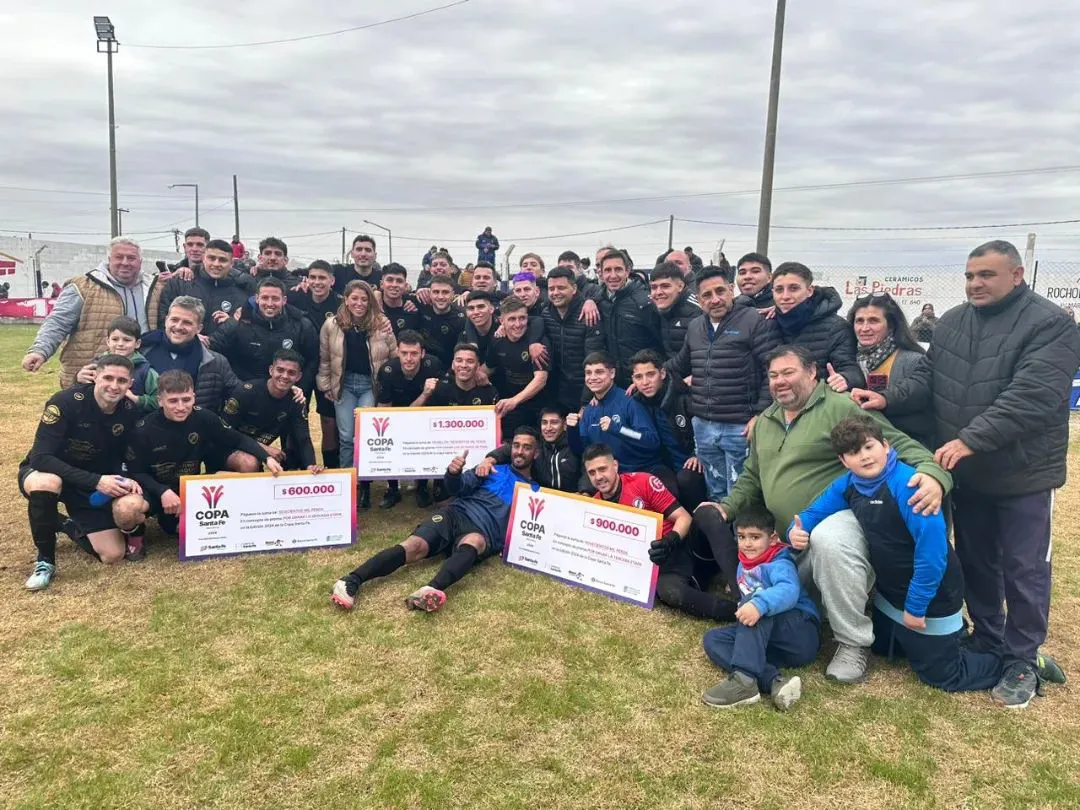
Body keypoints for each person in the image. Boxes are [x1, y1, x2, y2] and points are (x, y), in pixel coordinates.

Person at [852, 240, 1080, 707]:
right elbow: (931, 380)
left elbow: (1034, 394)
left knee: (1024, 569)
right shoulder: (953, 321)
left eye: (987, 275)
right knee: (976, 562)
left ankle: (1022, 658)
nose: (975, 283)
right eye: (970, 275)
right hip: (967, 472)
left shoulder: (1052, 324)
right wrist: (888, 399)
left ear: (1016, 275)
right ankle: (988, 640)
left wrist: (971, 438)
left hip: (1023, 475)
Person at [713, 345, 952, 683]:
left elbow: (897, 443)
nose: (779, 381)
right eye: (773, 375)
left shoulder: (839, 406)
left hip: (837, 517)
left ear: (812, 373)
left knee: (830, 539)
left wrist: (935, 475)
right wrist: (726, 506)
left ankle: (853, 642)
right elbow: (752, 474)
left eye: (788, 372)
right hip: (788, 537)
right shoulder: (765, 420)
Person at [790, 415, 1065, 704]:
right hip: (890, 597)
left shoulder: (910, 486)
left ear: (885, 445)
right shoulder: (849, 483)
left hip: (932, 594)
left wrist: (916, 606)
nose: (864, 457)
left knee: (942, 675)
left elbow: (933, 556)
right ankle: (953, 641)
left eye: (869, 447)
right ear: (844, 461)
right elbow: (811, 514)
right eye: (854, 453)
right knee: (885, 648)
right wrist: (797, 530)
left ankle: (1014, 663)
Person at [330, 427, 542, 612]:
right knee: (414, 546)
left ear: (536, 453)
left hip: (483, 531)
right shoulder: (490, 468)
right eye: (516, 445)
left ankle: (430, 590)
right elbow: (457, 487)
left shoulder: (533, 492)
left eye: (526, 447)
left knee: (474, 542)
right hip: (456, 514)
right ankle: (351, 580)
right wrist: (453, 473)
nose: (520, 451)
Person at [112, 369, 283, 559]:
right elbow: (136, 472)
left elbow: (237, 439)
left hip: (189, 489)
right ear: (160, 401)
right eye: (173, 401)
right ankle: (136, 536)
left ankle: (185, 523)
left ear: (194, 397)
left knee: (230, 483)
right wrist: (162, 491)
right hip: (154, 490)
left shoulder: (203, 417)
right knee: (125, 510)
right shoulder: (143, 430)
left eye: (186, 400)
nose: (181, 407)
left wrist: (265, 457)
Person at [19, 354, 143, 590]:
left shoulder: (129, 411)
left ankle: (63, 524)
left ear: (130, 384)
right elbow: (41, 457)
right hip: (49, 473)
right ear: (94, 376)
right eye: (107, 377)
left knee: (113, 554)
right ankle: (45, 561)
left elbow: (124, 455)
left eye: (121, 380)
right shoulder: (65, 402)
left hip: (88, 484)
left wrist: (126, 477)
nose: (114, 386)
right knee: (47, 482)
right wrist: (97, 481)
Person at [666, 266, 779, 501]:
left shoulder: (752, 321)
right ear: (698, 299)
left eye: (720, 291)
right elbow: (681, 363)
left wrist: (761, 413)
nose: (715, 299)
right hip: (704, 426)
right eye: (707, 295)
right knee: (715, 490)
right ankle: (720, 536)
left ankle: (741, 538)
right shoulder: (696, 326)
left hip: (740, 427)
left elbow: (773, 371)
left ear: (731, 289)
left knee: (742, 495)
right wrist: (653, 373)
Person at [701, 510, 820, 710]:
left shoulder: (780, 562)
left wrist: (758, 604)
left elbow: (788, 590)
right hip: (773, 642)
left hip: (800, 632)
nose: (747, 543)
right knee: (713, 640)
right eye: (741, 537)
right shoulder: (744, 562)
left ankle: (744, 680)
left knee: (755, 601)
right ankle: (773, 681)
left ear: (772, 538)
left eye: (755, 537)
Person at [23, 237, 165, 387]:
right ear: (109, 259)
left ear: (140, 262)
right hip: (91, 376)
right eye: (119, 257)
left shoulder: (156, 287)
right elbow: (57, 322)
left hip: (140, 376)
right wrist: (40, 350)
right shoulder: (83, 286)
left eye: (131, 258)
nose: (125, 262)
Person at [316, 279, 397, 509]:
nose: (359, 303)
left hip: (370, 386)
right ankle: (348, 485)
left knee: (366, 437)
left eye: (364, 299)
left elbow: (394, 355)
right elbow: (324, 357)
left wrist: (387, 388)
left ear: (370, 300)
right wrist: (325, 385)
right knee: (345, 436)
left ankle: (366, 485)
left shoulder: (382, 323)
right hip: (344, 384)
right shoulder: (331, 324)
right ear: (346, 299)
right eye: (355, 298)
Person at [847, 292, 933, 446]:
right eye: (859, 321)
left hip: (901, 448)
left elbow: (919, 398)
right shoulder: (845, 361)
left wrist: (885, 400)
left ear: (891, 325)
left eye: (873, 321)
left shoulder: (913, 361)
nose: (864, 328)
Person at [376, 330, 446, 509]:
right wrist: (424, 394)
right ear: (397, 352)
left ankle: (422, 487)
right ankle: (392, 489)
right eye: (404, 353)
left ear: (422, 353)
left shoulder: (434, 366)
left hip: (425, 416)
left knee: (425, 442)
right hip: (397, 415)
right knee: (388, 441)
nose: (409, 358)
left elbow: (440, 407)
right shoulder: (387, 371)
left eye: (414, 353)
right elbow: (385, 412)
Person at [629, 350, 706, 510]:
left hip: (692, 463)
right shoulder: (635, 401)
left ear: (662, 373)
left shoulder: (684, 397)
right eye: (639, 377)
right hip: (663, 465)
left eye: (650, 375)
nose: (645, 382)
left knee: (687, 479)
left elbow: (705, 427)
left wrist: (697, 454)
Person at [770, 262, 864, 392]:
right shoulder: (768, 323)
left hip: (819, 405)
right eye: (779, 290)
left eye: (794, 288)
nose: (785, 296)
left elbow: (852, 369)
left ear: (809, 291)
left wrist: (845, 378)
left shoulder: (836, 327)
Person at [220, 350, 319, 473]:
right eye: (280, 370)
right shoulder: (246, 392)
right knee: (249, 463)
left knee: (292, 457)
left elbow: (303, 437)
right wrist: (264, 450)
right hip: (225, 448)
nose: (285, 376)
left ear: (298, 377)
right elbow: (224, 432)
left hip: (256, 452)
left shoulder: (296, 399)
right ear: (271, 370)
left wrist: (311, 465)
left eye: (291, 373)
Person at [566, 352, 660, 481]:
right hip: (607, 479)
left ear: (612, 374)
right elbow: (581, 451)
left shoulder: (630, 401)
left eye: (599, 372)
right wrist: (572, 430)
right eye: (588, 373)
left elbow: (651, 441)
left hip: (640, 473)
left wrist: (618, 429)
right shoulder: (588, 410)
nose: (592, 377)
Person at [140, 297, 241, 414]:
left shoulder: (216, 362)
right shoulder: (142, 351)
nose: (178, 327)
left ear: (199, 328)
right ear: (166, 320)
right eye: (174, 320)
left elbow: (239, 396)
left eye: (187, 322)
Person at [288, 260, 343, 468]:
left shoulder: (341, 304)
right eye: (313, 277)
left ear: (332, 280)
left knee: (328, 421)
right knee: (295, 416)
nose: (317, 282)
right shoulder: (294, 297)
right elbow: (261, 299)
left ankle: (332, 466)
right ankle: (294, 466)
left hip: (328, 369)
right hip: (299, 370)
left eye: (322, 278)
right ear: (307, 279)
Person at [542, 267, 607, 413]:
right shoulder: (546, 312)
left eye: (561, 287)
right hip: (556, 393)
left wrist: (586, 401)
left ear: (574, 288)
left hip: (584, 392)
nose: (555, 293)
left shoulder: (589, 314)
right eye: (551, 288)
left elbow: (594, 360)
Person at [157, 238, 251, 337]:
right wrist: (191, 338)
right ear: (203, 258)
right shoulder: (180, 283)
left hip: (226, 351)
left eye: (222, 260)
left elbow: (248, 333)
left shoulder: (243, 290)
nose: (216, 264)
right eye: (211, 258)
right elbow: (163, 320)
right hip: (185, 349)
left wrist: (232, 323)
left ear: (231, 263)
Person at [484, 297, 550, 437]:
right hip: (513, 406)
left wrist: (515, 400)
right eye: (512, 319)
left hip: (540, 405)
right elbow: (489, 368)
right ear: (502, 321)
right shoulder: (497, 340)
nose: (518, 324)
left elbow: (541, 379)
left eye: (522, 318)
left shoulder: (538, 344)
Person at [597, 250, 663, 386]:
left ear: (627, 271)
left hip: (642, 382)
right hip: (613, 382)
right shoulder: (599, 301)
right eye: (608, 270)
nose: (613, 275)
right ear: (601, 274)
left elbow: (661, 342)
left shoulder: (644, 302)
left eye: (618, 269)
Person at [481, 407, 580, 492]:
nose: (548, 428)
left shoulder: (575, 444)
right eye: (544, 423)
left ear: (564, 425)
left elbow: (587, 467)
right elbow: (510, 449)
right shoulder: (538, 445)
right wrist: (489, 460)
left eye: (554, 423)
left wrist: (585, 492)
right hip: (542, 500)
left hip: (573, 501)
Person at [74, 315, 159, 412]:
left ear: (137, 343)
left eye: (126, 340)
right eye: (115, 339)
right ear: (108, 341)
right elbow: (78, 393)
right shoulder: (96, 365)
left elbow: (161, 400)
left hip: (132, 421)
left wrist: (138, 399)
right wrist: (77, 379)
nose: (120, 344)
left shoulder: (146, 371)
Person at [419, 343, 499, 408]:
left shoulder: (489, 393)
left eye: (470, 361)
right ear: (453, 365)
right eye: (459, 361)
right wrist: (425, 394)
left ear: (477, 366)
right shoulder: (439, 390)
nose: (464, 365)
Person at [649, 262, 702, 357]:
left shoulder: (698, 310)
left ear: (680, 286)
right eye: (654, 287)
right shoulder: (658, 309)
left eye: (665, 286)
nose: (658, 292)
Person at [416, 276, 467, 366]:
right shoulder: (420, 307)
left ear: (453, 295)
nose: (440, 297)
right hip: (423, 367)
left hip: (450, 368)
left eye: (445, 292)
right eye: (436, 292)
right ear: (429, 293)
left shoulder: (461, 318)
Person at [377, 263, 422, 337]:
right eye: (390, 280)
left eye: (399, 281)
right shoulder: (372, 306)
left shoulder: (415, 304)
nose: (394, 285)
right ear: (381, 284)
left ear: (405, 285)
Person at [462, 291, 499, 358]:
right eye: (471, 308)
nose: (476, 312)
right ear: (467, 313)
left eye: (481, 307)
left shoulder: (503, 331)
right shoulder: (463, 337)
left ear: (491, 309)